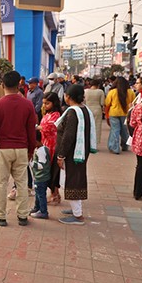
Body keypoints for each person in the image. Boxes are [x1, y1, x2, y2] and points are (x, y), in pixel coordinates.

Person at [0, 70, 37, 227]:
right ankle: (23, 215)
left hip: (2, 149)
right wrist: (31, 150)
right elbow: (31, 130)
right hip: (21, 148)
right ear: (19, 85)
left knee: (0, 183)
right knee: (22, 183)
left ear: (2, 85)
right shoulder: (27, 104)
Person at [55, 84, 96, 225]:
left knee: (72, 180)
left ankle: (78, 215)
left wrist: (61, 155)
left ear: (68, 97)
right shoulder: (84, 110)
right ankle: (75, 209)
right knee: (75, 179)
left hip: (73, 153)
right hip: (81, 151)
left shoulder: (73, 112)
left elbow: (68, 136)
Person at [39, 92, 62, 204]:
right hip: (46, 145)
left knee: (53, 172)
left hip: (53, 146)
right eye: (44, 103)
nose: (45, 105)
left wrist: (37, 127)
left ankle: (55, 194)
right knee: (49, 171)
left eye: (47, 103)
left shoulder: (56, 115)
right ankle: (54, 193)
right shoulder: (47, 114)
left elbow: (47, 127)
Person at [104, 76, 134, 154]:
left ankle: (115, 148)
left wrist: (106, 115)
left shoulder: (112, 92)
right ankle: (125, 146)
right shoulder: (130, 92)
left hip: (113, 113)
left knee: (115, 130)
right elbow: (133, 103)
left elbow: (107, 104)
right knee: (124, 131)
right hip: (126, 114)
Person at [29, 130, 51, 219]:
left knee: (41, 195)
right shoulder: (40, 149)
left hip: (41, 177)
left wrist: (31, 163)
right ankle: (37, 208)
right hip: (39, 177)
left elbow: (42, 165)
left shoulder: (41, 151)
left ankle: (43, 211)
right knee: (38, 194)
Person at [83, 79, 105, 148]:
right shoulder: (100, 92)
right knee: (97, 127)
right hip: (97, 110)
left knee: (88, 126)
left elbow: (83, 102)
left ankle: (87, 142)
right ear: (98, 85)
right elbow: (102, 103)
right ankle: (94, 144)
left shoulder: (85, 91)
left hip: (88, 109)